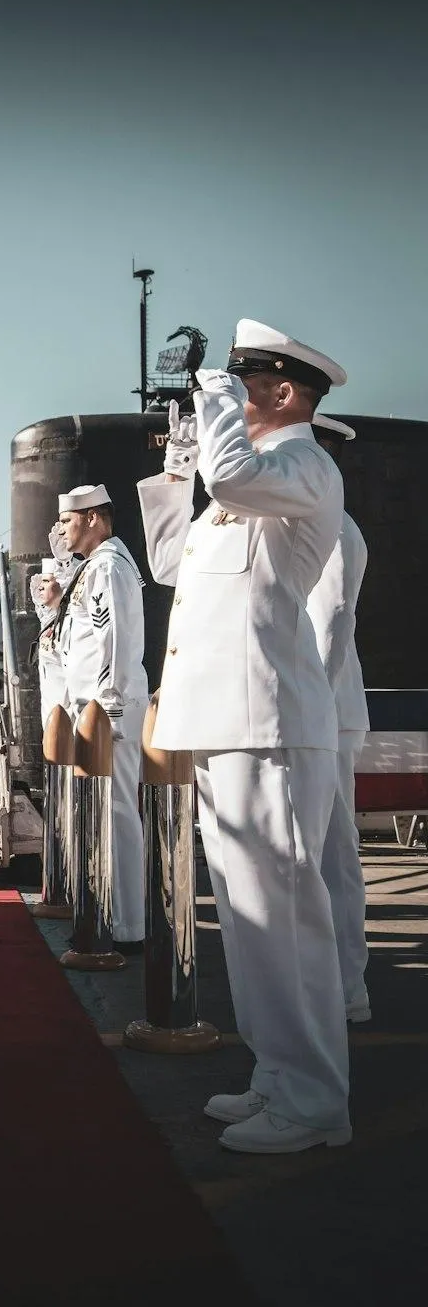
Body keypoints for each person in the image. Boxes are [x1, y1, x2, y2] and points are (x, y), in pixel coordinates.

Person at [138, 319, 348, 1154]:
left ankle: (315, 1101)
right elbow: (167, 563)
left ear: (284, 392)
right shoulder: (247, 488)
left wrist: (212, 397)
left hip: (270, 723)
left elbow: (229, 475)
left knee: (285, 922)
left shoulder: (304, 467)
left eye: (241, 382)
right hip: (225, 721)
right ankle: (277, 1076)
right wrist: (175, 461)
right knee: (250, 923)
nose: (221, 396)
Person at [48, 484, 147, 944]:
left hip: (106, 710)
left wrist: (110, 703)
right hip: (90, 710)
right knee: (100, 814)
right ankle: (110, 915)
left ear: (92, 518)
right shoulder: (94, 566)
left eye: (67, 521)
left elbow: (117, 638)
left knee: (118, 813)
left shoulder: (108, 566)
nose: (60, 530)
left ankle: (128, 925)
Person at [307, 415, 371, 1024]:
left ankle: (348, 985)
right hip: (313, 709)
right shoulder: (312, 523)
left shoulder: (335, 529)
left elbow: (330, 623)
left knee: (333, 855)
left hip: (322, 710)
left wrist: (311, 707)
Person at [29, 557, 72, 732]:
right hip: (51, 717)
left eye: (46, 581)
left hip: (68, 719)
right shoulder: (49, 621)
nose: (40, 587)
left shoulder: (70, 624)